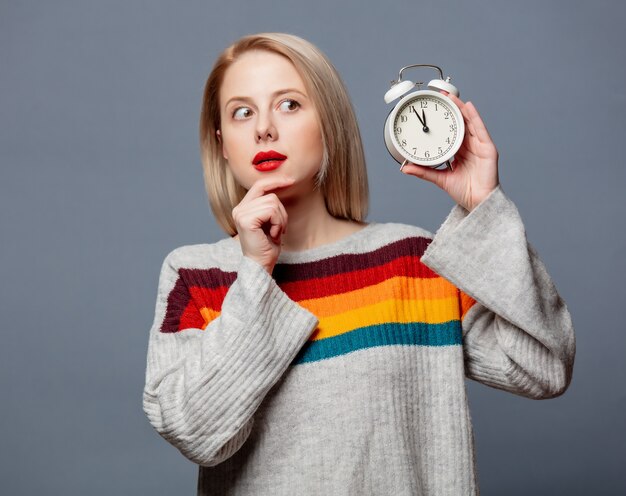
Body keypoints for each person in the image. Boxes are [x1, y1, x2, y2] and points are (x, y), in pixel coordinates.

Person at [142, 32, 575, 495]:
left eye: (289, 104)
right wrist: (255, 273)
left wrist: (484, 208)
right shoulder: (194, 276)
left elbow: (541, 366)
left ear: (329, 122)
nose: (264, 128)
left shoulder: (410, 262)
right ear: (222, 141)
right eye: (242, 112)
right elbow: (196, 431)